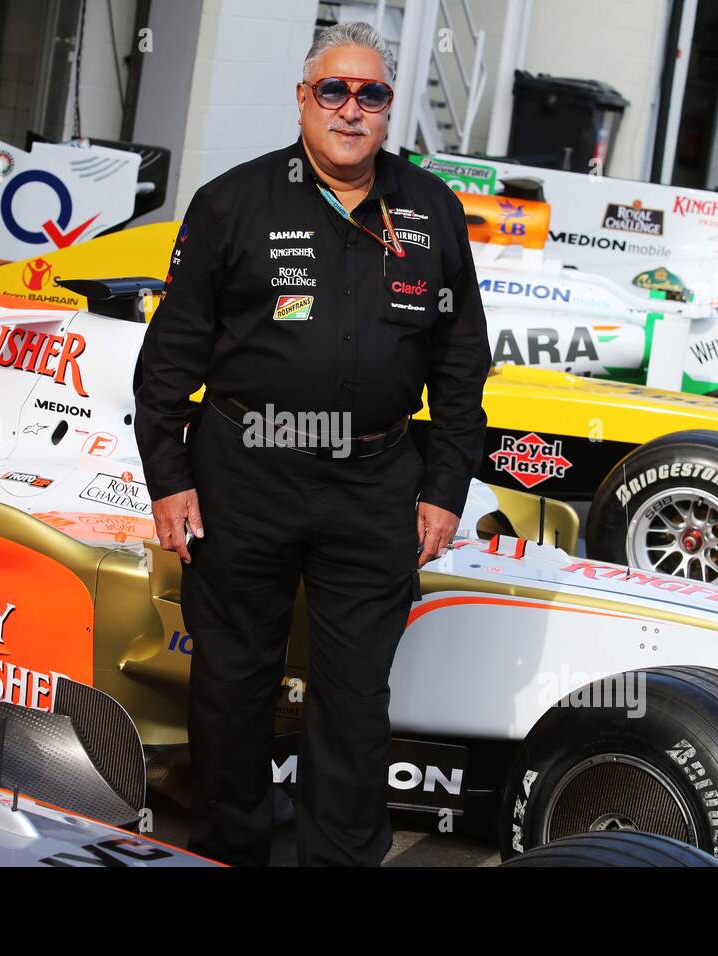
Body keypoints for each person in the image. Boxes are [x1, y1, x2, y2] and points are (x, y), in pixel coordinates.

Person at [134, 20, 490, 866]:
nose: (351, 109)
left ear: (388, 108)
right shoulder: (232, 203)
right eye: (334, 90)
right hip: (244, 477)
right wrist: (168, 478)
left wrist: (445, 487)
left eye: (371, 94)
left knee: (356, 697)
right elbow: (168, 359)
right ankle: (228, 850)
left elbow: (462, 361)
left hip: (373, 485)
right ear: (303, 100)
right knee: (231, 688)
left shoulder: (431, 210)